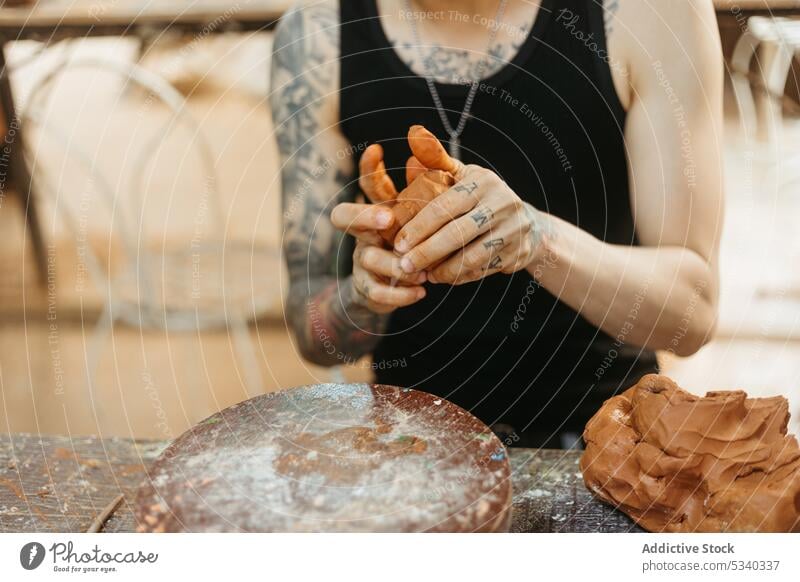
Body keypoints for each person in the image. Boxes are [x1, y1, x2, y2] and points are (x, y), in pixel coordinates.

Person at [269, 0, 724, 447]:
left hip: (607, 442)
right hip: (416, 451)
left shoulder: (652, 11)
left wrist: (536, 239)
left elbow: (692, 315)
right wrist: (366, 292)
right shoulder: (317, 35)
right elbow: (315, 336)